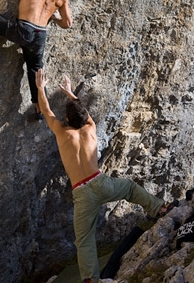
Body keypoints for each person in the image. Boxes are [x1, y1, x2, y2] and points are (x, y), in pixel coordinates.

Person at [35, 69, 178, 283]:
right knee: (129, 188)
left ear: (66, 118)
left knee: (84, 240)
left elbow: (46, 110)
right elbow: (82, 111)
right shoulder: (90, 127)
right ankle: (160, 208)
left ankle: (90, 279)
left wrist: (40, 88)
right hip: (100, 182)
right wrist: (70, 93)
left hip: (82, 193)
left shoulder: (61, 131)